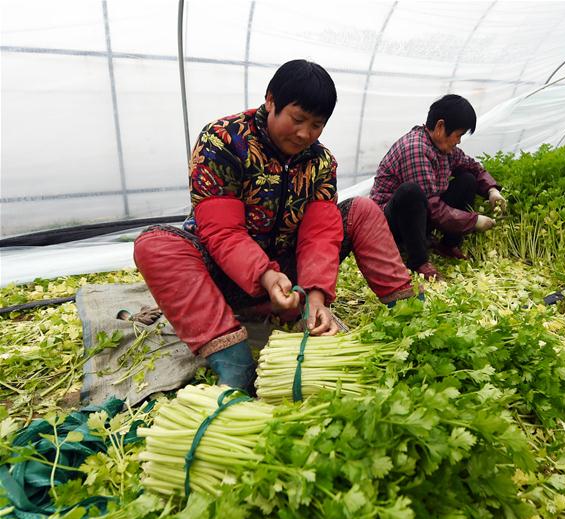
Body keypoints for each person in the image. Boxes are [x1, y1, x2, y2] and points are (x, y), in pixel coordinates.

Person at [133, 59, 415, 391]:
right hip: (224, 274)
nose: (305, 134)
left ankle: (409, 312)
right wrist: (265, 276)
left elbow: (321, 233)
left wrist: (316, 296)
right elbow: (221, 231)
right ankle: (233, 360)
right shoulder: (224, 141)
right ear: (270, 101)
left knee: (363, 210)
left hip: (287, 271)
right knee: (155, 245)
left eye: (317, 125)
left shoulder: (320, 162)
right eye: (297, 119)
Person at [370, 94, 507, 281]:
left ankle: (448, 245)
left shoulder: (445, 149)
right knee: (411, 192)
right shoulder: (415, 148)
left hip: (419, 218)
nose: (459, 141)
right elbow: (432, 208)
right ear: (441, 127)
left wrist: (492, 190)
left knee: (467, 179)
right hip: (391, 224)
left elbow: (473, 167)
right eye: (458, 135)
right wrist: (473, 221)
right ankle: (418, 261)